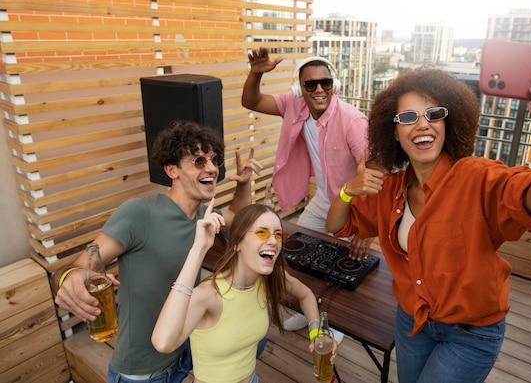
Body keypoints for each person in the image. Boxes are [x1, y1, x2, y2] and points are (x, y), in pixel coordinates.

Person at [325, 43, 531, 383]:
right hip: (412, 321)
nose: (422, 125)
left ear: (448, 121)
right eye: (408, 117)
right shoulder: (391, 189)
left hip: (470, 334)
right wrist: (349, 189)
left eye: (434, 114)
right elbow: (336, 225)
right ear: (393, 131)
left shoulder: (477, 177)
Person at [52, 120, 263, 383]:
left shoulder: (204, 215)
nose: (212, 168)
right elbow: (79, 266)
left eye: (214, 160)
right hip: (142, 372)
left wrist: (243, 184)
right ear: (171, 169)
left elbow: (240, 220)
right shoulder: (139, 212)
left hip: (184, 350)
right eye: (199, 161)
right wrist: (67, 278)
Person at [242, 47, 372, 337]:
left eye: (325, 82)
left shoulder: (353, 121)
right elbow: (250, 101)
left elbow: (373, 174)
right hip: (323, 199)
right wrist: (256, 73)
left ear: (334, 85)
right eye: (310, 83)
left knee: (342, 267)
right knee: (296, 255)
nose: (318, 89)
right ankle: (308, 309)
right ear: (300, 89)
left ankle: (335, 323)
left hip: (354, 206)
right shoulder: (294, 106)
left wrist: (368, 227)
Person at [152, 201, 338, 383]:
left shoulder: (267, 279)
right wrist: (198, 249)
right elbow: (163, 343)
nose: (273, 241)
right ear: (237, 243)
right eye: (262, 233)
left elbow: (305, 294)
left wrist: (316, 332)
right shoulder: (208, 295)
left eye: (278, 235)